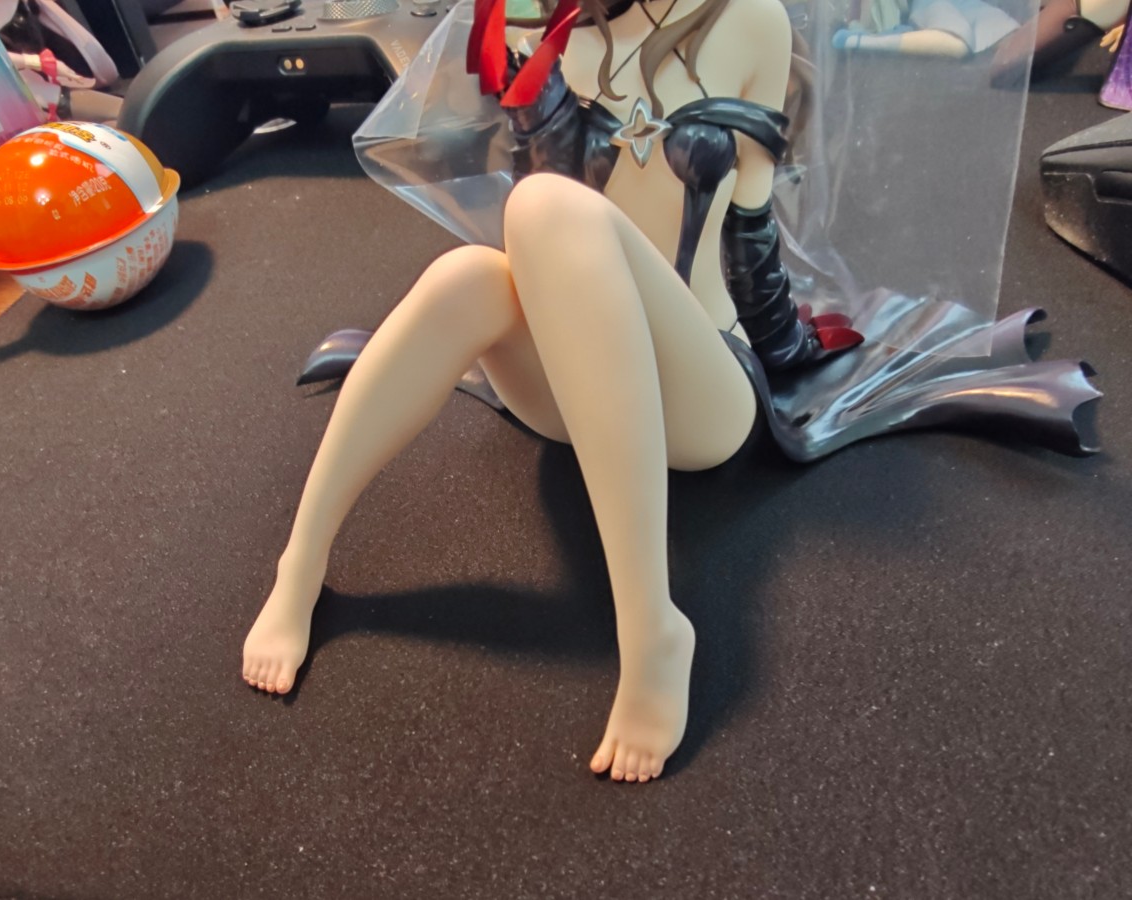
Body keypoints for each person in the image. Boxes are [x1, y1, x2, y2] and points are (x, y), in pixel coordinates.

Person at [242, 0, 823, 784]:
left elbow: (751, 227)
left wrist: (792, 347)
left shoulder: (751, 20)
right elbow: (550, 243)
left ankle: (652, 630)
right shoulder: (560, 32)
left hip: (702, 392)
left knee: (544, 206)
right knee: (466, 274)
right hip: (581, 374)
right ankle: (302, 560)